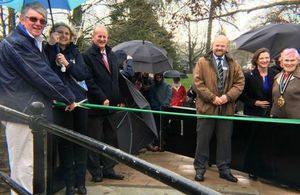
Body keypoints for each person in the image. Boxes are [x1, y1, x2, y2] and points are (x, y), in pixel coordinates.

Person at [0, 2, 75, 194]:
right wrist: (67, 96)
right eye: (33, 19)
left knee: (27, 165)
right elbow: (40, 75)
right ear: (22, 19)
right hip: (21, 111)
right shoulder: (18, 42)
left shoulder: (33, 42)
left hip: (25, 109)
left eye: (42, 21)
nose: (38, 23)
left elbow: (39, 74)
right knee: (23, 168)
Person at [44, 22, 90, 195]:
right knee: (65, 144)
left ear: (71, 36)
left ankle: (81, 183)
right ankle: (69, 184)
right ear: (53, 34)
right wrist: (51, 47)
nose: (63, 36)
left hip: (80, 102)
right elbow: (45, 71)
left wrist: (68, 64)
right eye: (59, 33)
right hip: (61, 104)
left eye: (66, 33)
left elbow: (82, 74)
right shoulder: (47, 50)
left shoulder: (75, 52)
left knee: (80, 143)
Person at [193, 35, 244, 182]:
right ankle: (200, 169)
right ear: (212, 45)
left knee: (224, 142)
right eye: (217, 45)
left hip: (226, 110)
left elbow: (240, 83)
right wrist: (212, 98)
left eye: (222, 46)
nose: (219, 48)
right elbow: (197, 83)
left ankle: (224, 169)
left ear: (226, 46)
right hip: (206, 109)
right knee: (202, 141)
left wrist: (227, 97)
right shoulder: (202, 62)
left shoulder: (233, 64)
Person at [82, 24, 124, 182]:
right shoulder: (86, 55)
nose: (102, 39)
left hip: (111, 107)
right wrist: (102, 98)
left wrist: (119, 99)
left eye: (104, 36)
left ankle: (108, 169)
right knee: (94, 140)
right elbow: (88, 80)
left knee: (111, 138)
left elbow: (116, 78)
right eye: (99, 36)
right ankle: (95, 172)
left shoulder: (112, 54)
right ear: (93, 37)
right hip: (96, 106)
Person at [240, 48, 278, 117]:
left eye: (267, 58)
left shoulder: (276, 74)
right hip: (252, 113)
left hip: (270, 113)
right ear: (256, 60)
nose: (265, 60)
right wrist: (254, 102)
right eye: (261, 58)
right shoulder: (248, 75)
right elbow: (241, 94)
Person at [271, 48, 300, 119]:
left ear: (297, 62)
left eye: (292, 60)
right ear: (282, 62)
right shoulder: (277, 77)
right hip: (277, 120)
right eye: (286, 60)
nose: (289, 63)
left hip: (295, 122)